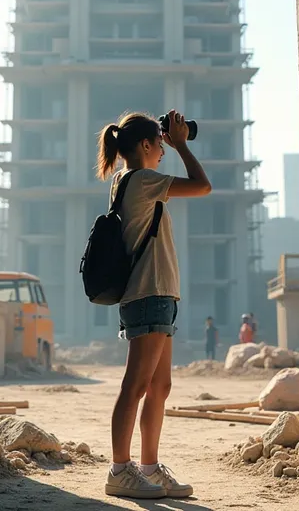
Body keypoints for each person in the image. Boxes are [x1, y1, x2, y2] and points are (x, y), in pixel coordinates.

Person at [98, 110, 211, 500]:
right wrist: (182, 143)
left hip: (160, 293)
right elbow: (202, 186)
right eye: (161, 145)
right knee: (137, 384)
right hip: (148, 293)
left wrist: (174, 140)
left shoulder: (126, 180)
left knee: (159, 386)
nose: (164, 151)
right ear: (146, 145)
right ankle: (119, 469)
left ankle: (148, 467)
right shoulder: (142, 180)